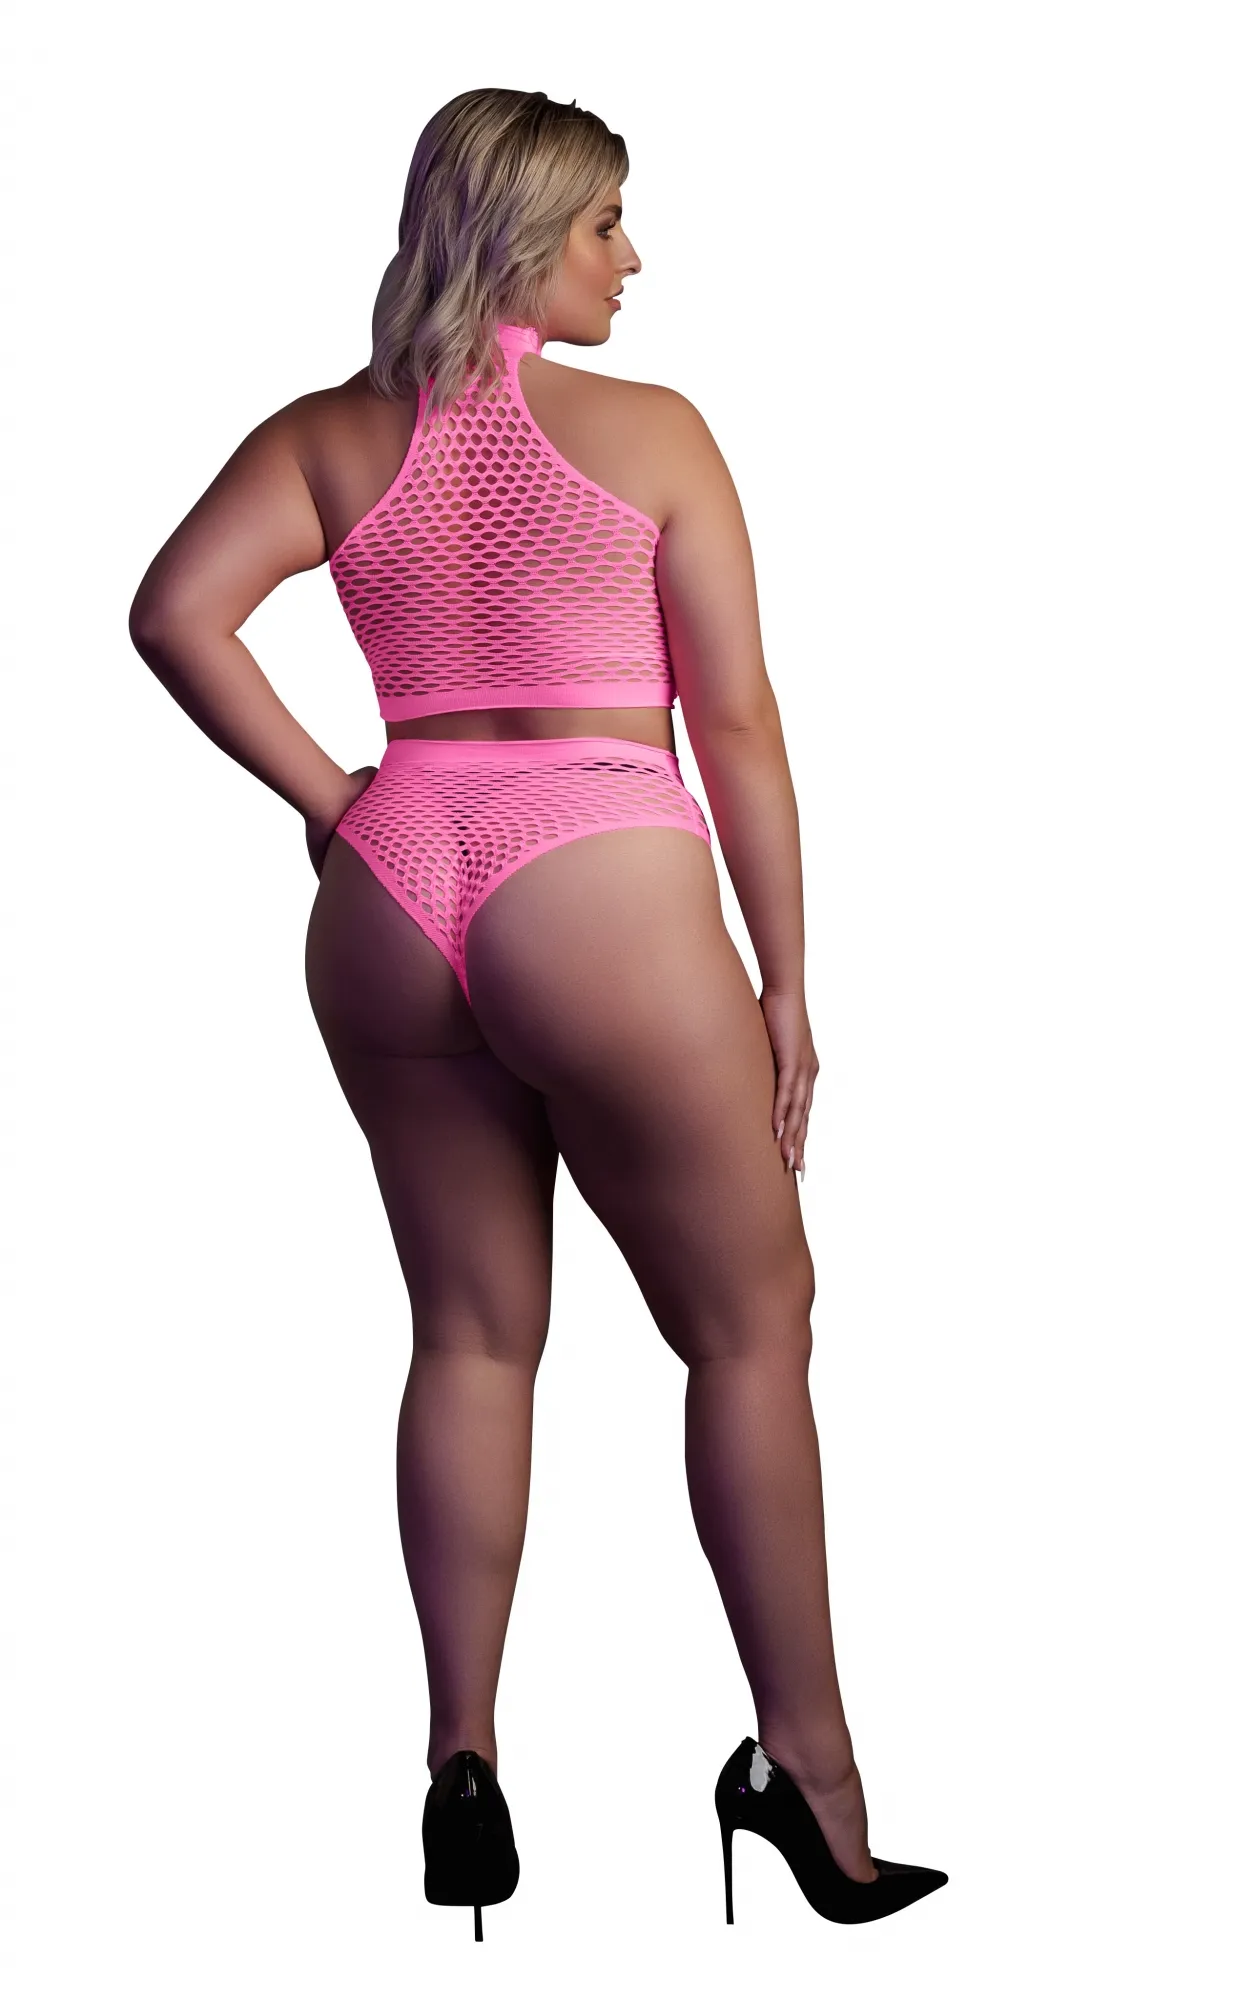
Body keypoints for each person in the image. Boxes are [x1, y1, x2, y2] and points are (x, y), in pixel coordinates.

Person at [128, 86, 946, 1941]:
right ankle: (809, 1783)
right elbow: (732, 722)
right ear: (523, 238)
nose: (630, 259)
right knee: (750, 1328)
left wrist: (335, 802)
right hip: (600, 877)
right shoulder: (650, 434)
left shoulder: (326, 436)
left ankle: (462, 1762)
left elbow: (175, 613)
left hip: (389, 890)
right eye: (603, 226)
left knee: (471, 1334)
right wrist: (787, 977)